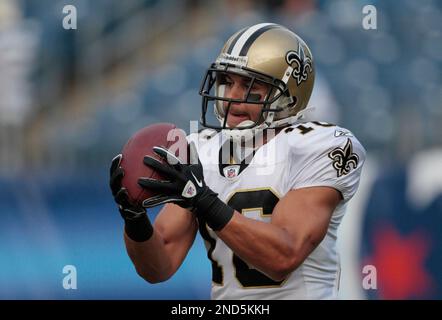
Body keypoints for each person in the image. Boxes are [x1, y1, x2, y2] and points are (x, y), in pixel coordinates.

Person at [109, 23, 366, 299]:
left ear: (288, 95)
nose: (232, 96)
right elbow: (158, 266)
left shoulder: (318, 146)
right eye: (227, 81)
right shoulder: (201, 149)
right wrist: (134, 219)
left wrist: (203, 199)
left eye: (249, 85)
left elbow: (284, 255)